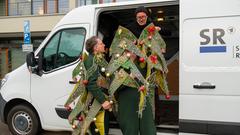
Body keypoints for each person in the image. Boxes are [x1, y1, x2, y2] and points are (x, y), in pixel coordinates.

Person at [115, 6, 161, 135]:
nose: (141, 19)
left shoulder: (152, 27)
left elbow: (161, 45)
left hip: (149, 66)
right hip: (134, 64)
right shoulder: (129, 28)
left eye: (143, 17)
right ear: (135, 18)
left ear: (147, 16)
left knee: (151, 94)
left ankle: (152, 120)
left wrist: (157, 31)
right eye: (139, 17)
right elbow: (121, 43)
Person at [84, 36, 112, 135]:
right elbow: (91, 84)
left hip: (101, 102)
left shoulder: (98, 59)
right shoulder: (91, 60)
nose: (104, 45)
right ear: (95, 48)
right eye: (101, 43)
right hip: (97, 103)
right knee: (99, 130)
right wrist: (103, 101)